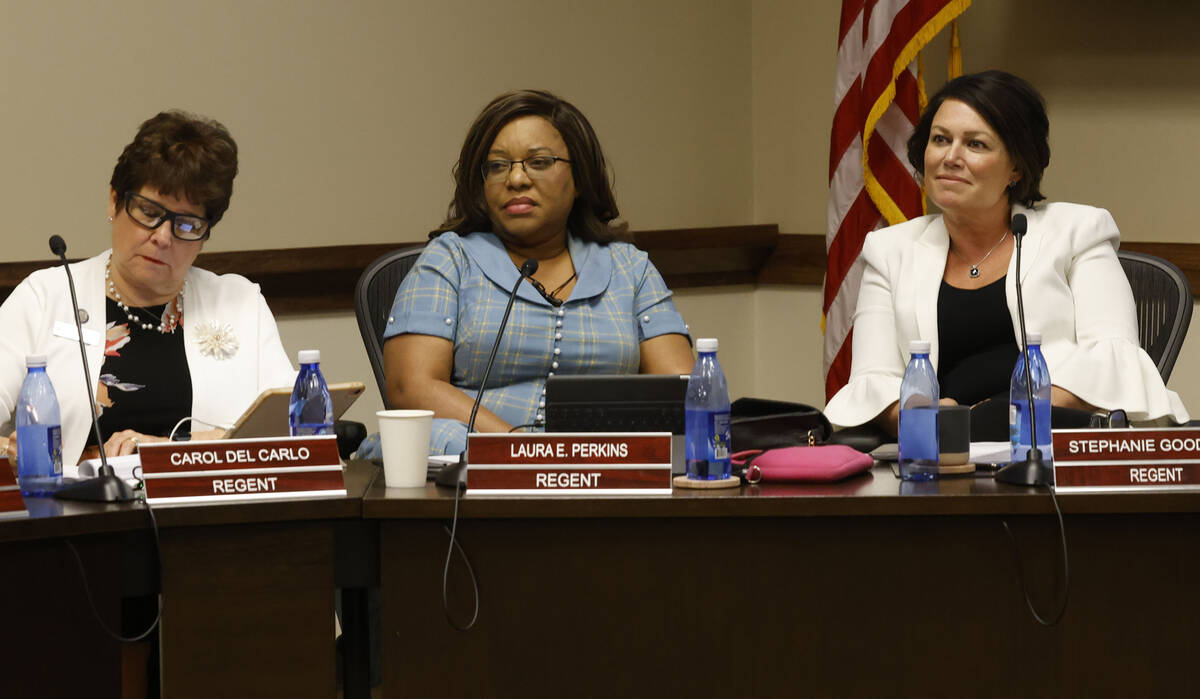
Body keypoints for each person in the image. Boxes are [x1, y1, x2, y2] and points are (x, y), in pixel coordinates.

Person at [824, 70, 1188, 435]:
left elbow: (1113, 358)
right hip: (941, 453)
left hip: (1050, 447)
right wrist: (926, 419)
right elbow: (874, 380)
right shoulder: (890, 251)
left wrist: (1002, 416)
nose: (950, 157)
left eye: (975, 144)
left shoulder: (1077, 232)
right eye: (940, 139)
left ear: (1015, 166)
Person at [381, 89, 694, 455]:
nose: (515, 179)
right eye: (497, 165)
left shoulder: (630, 268)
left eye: (539, 162)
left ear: (579, 177)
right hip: (477, 476)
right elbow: (410, 387)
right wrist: (523, 449)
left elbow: (682, 392)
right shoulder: (449, 260)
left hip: (604, 474)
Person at [0, 110, 296, 467]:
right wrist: (16, 454)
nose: (162, 237)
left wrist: (164, 448)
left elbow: (292, 427)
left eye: (187, 225)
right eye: (148, 211)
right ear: (114, 201)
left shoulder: (240, 303)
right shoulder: (45, 297)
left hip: (215, 512)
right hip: (77, 515)